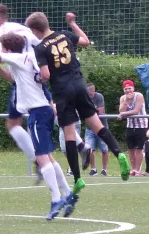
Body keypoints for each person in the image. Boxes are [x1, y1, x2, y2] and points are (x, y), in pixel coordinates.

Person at [0, 3, 90, 181]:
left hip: (21, 80)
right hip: (36, 73)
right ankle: (80, 145)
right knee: (50, 109)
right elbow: (41, 42)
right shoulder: (20, 27)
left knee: (14, 124)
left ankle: (40, 161)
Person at [0, 32, 77, 220]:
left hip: (38, 112)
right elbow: (12, 78)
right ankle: (67, 193)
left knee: (42, 158)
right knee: (47, 157)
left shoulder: (18, 57)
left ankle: (57, 199)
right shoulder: (24, 59)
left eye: (2, 47)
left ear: (7, 48)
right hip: (39, 112)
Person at [25, 11, 130, 194]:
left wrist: (38, 79)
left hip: (62, 92)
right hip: (80, 85)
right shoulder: (64, 35)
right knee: (97, 125)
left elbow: (46, 75)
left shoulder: (41, 47)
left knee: (69, 135)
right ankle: (119, 153)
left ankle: (77, 179)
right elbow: (85, 41)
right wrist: (73, 23)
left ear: (35, 30)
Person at [118, 80, 148, 176]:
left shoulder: (139, 96)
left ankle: (138, 170)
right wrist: (126, 101)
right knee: (131, 148)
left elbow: (136, 111)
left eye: (129, 88)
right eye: (126, 89)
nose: (128, 91)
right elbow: (121, 110)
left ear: (133, 88)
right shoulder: (123, 98)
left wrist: (123, 114)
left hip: (141, 125)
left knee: (139, 148)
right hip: (130, 125)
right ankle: (133, 169)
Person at [85, 83, 109, 177]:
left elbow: (100, 111)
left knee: (104, 149)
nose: (89, 95)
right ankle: (93, 169)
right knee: (89, 149)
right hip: (89, 127)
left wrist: (88, 111)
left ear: (93, 91)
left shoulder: (99, 97)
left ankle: (104, 169)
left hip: (101, 126)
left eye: (90, 94)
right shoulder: (84, 97)